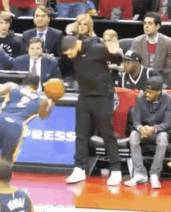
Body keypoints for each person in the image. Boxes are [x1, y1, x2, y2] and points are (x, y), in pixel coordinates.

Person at [63, 35, 123, 186]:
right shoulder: (73, 51)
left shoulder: (97, 48)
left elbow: (117, 60)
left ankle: (116, 170)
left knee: (107, 133)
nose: (69, 57)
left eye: (70, 53)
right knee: (81, 135)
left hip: (103, 96)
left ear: (76, 45)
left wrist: (115, 52)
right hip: (84, 96)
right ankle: (79, 169)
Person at [124, 75, 171, 188]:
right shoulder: (141, 97)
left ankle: (155, 174)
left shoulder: (168, 99)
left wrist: (153, 129)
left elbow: (167, 124)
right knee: (133, 135)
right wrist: (140, 128)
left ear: (158, 92)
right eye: (146, 91)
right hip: (143, 131)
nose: (147, 94)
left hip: (159, 131)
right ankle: (140, 173)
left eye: (150, 92)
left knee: (163, 137)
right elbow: (136, 120)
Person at [0, 74, 55, 164]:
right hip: (15, 126)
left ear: (23, 82)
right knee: (6, 162)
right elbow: (43, 116)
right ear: (37, 86)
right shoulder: (42, 101)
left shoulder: (11, 86)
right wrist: (52, 101)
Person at [131, 12, 171, 89]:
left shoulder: (169, 43)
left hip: (162, 82)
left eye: (150, 23)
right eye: (145, 23)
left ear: (157, 26)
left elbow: (170, 68)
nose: (146, 26)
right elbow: (133, 65)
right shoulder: (137, 42)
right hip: (141, 81)